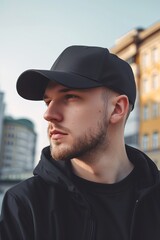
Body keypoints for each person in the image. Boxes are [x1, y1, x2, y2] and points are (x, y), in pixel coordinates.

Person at [0, 45, 160, 240]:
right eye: (48, 101)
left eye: (70, 97)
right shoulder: (26, 204)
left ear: (117, 108)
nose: (49, 114)